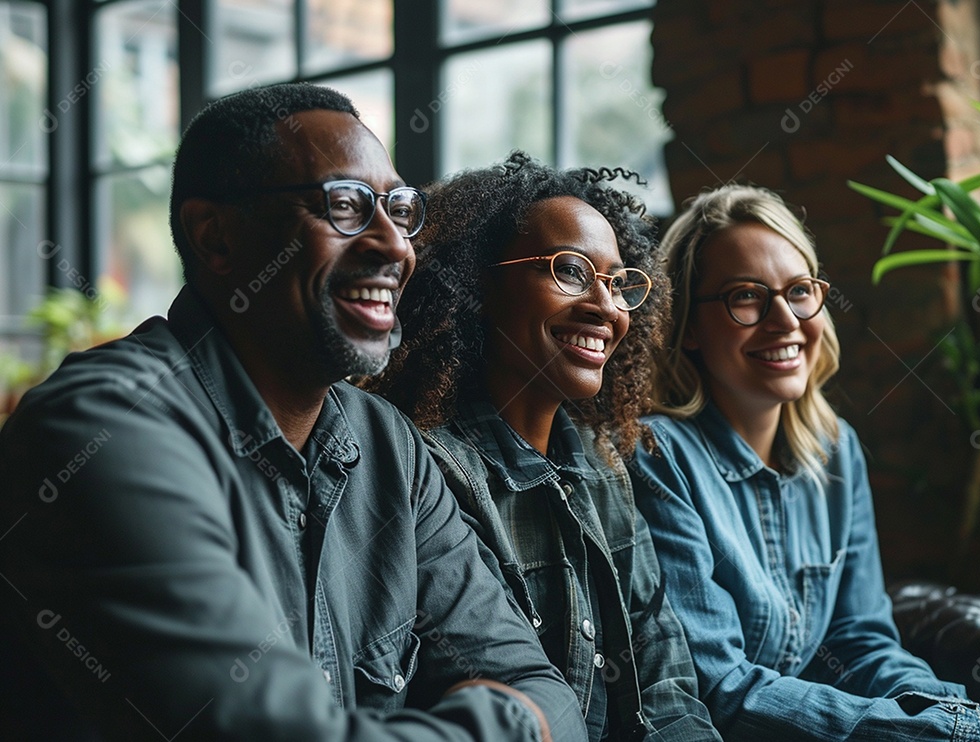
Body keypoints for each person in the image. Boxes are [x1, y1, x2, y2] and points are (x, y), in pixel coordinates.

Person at [0, 83, 588, 741]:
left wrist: (523, 709)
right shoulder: (103, 429)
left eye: (400, 209)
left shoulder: (389, 448)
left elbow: (548, 692)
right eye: (344, 205)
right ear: (215, 237)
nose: (396, 247)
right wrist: (513, 724)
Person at [628, 183, 980, 742]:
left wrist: (959, 719)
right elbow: (721, 691)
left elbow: (861, 644)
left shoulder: (836, 450)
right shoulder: (658, 456)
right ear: (687, 326)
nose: (785, 320)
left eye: (799, 291)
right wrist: (940, 736)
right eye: (746, 297)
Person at [368, 152, 720, 742]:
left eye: (617, 283)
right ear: (478, 284)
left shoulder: (601, 462)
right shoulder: (424, 468)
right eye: (571, 271)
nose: (606, 307)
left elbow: (664, 683)